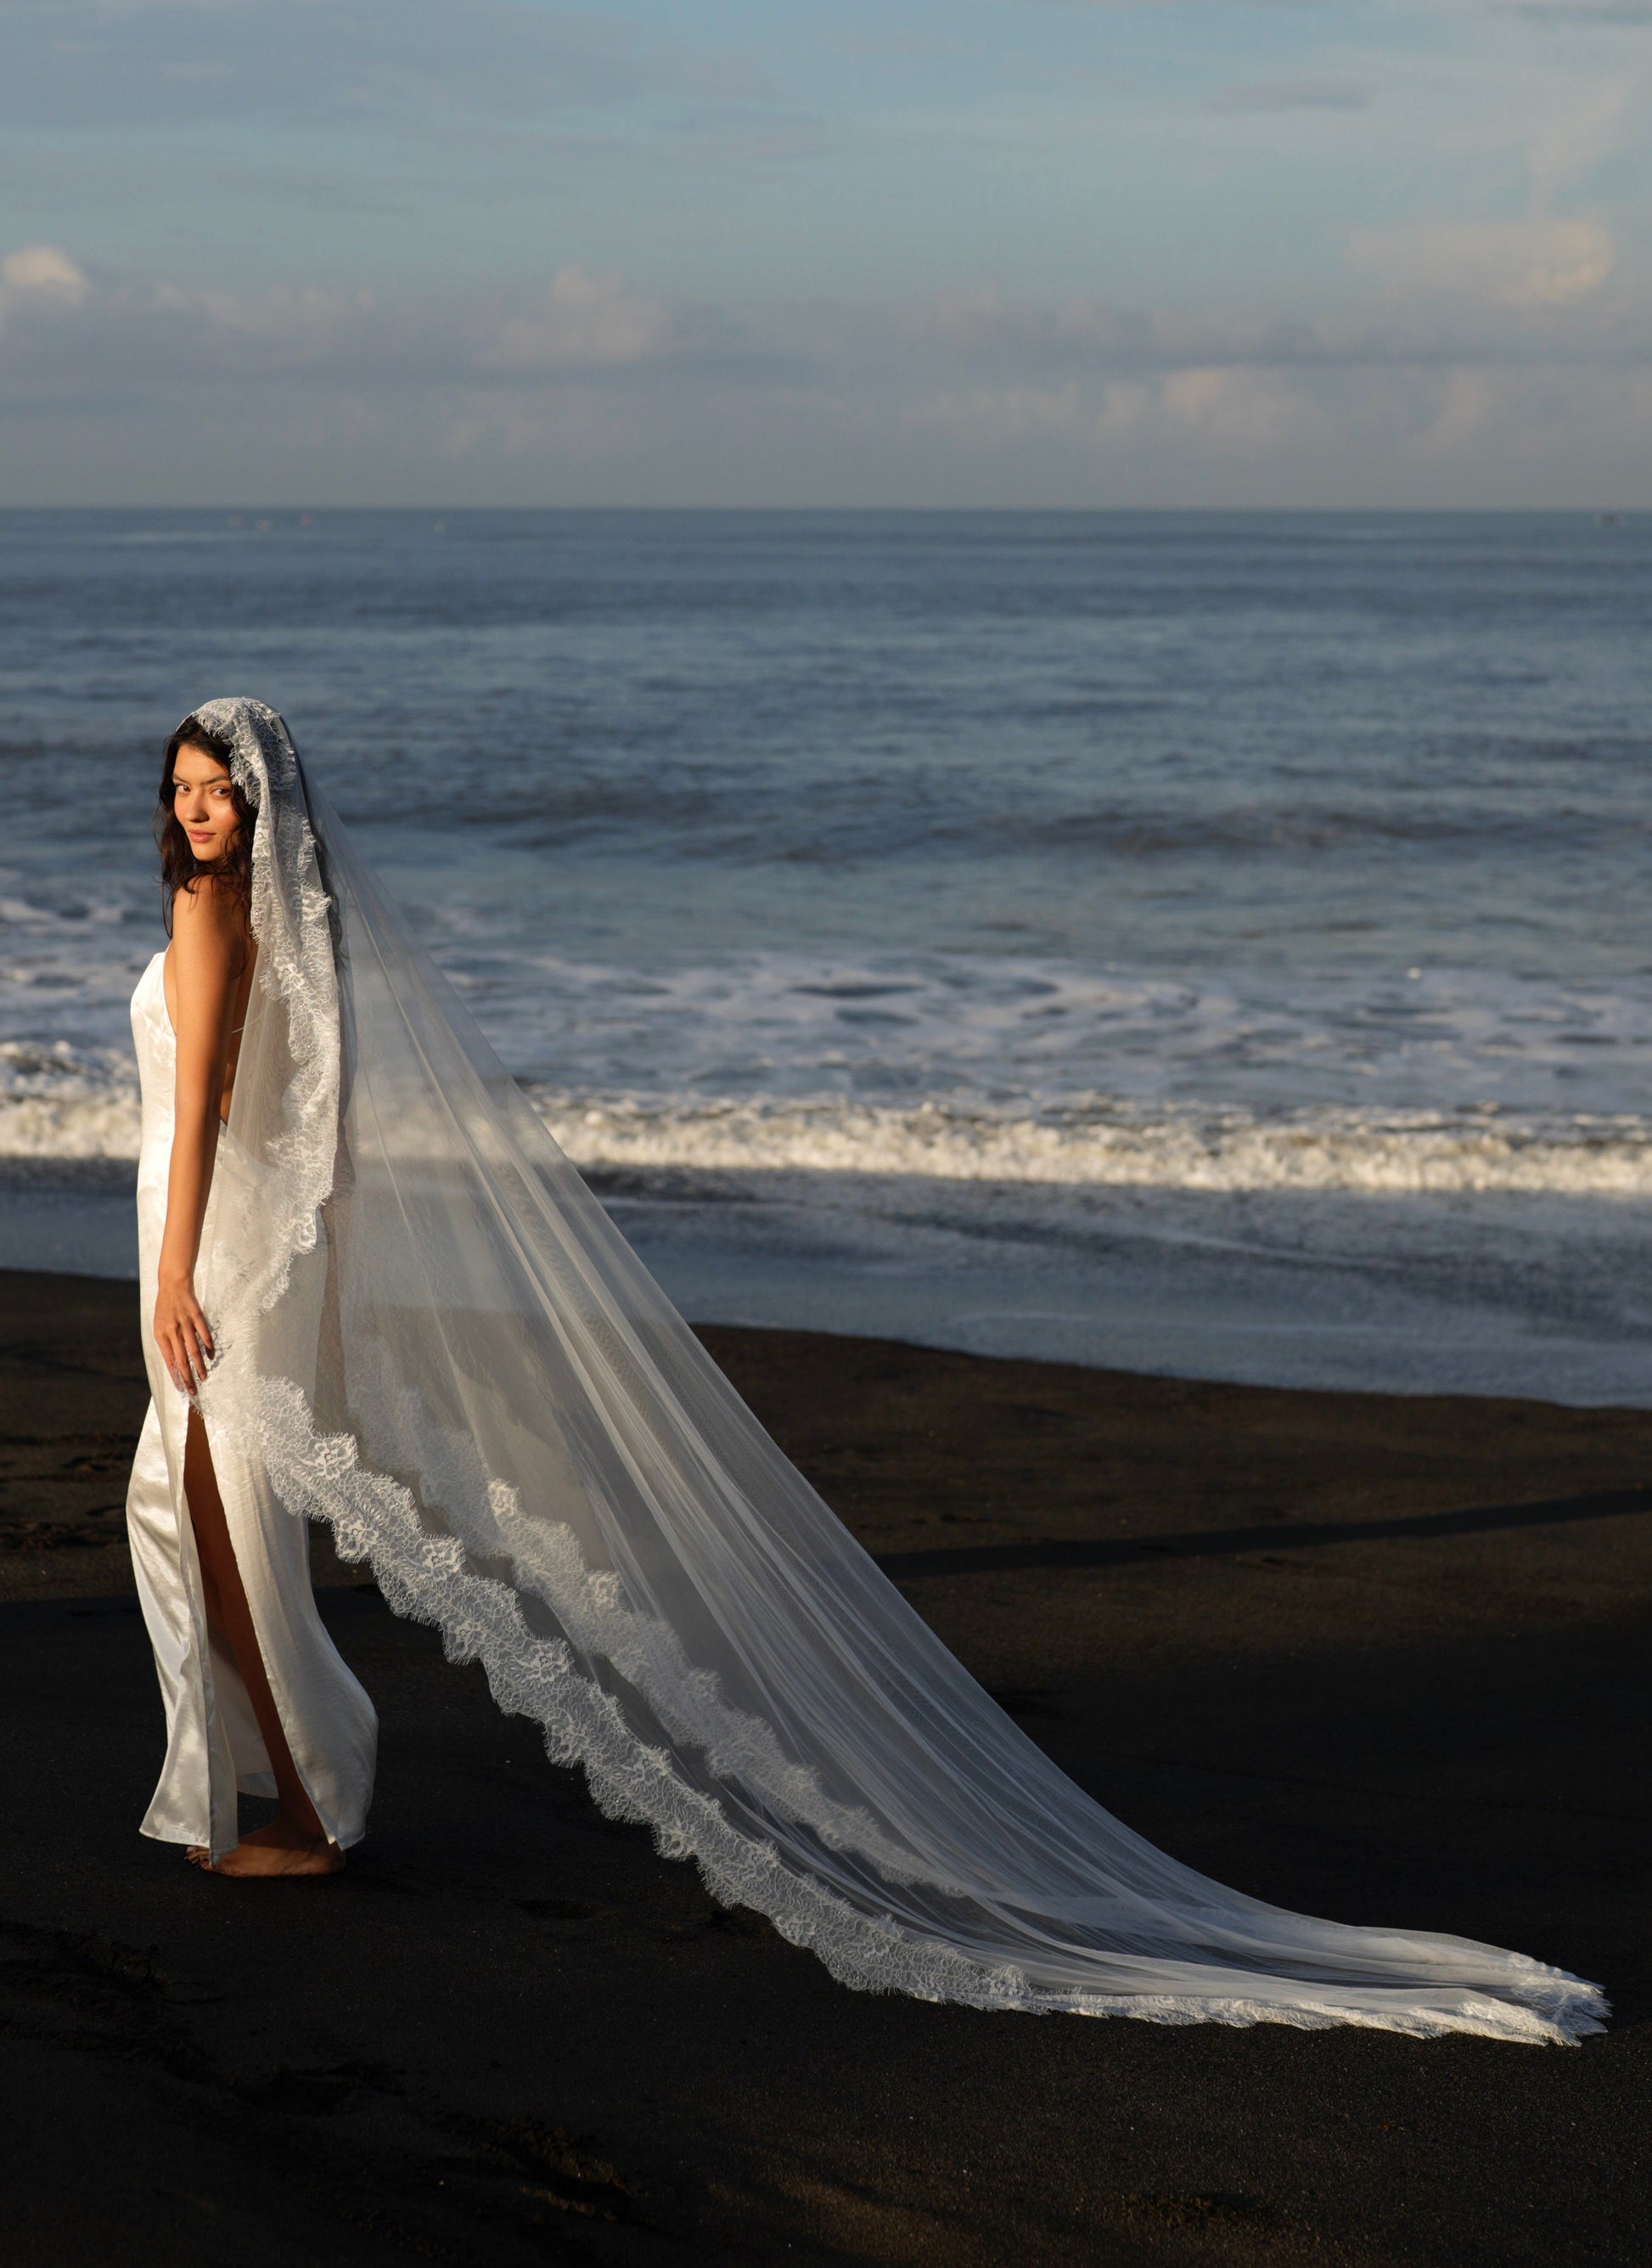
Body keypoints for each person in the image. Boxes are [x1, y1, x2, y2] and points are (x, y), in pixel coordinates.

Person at [126, 696, 1606, 2042]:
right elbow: (307, 1121)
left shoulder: (215, 918)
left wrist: (180, 1275)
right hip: (252, 1254)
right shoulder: (289, 927)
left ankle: (303, 1810)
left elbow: (200, 1112)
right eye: (183, 790)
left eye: (218, 790)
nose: (196, 812)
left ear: (265, 803)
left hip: (213, 1259)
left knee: (205, 1525)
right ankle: (281, 1785)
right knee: (207, 1523)